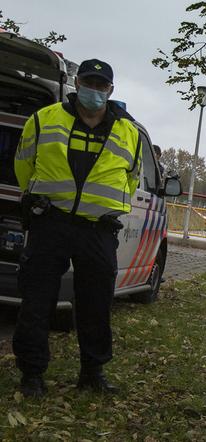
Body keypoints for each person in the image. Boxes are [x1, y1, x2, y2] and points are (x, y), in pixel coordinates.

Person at [12, 59, 143, 397]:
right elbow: (23, 165)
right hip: (51, 222)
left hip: (98, 229)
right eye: (89, 82)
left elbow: (130, 178)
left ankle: (92, 371)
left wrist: (103, 208)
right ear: (77, 83)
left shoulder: (129, 132)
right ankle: (32, 374)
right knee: (37, 300)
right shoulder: (45, 119)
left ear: (111, 91)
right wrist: (45, 200)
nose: (94, 91)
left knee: (96, 304)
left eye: (101, 86)